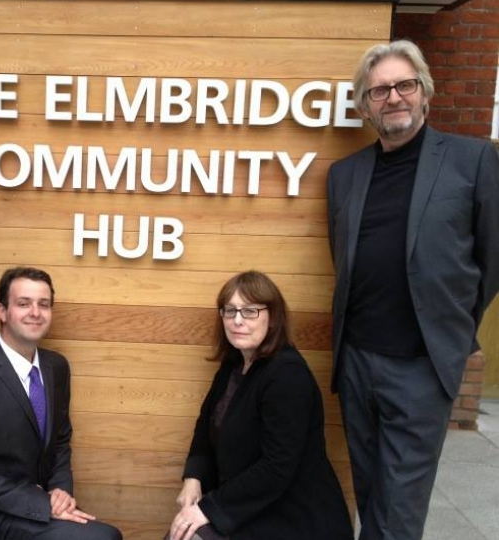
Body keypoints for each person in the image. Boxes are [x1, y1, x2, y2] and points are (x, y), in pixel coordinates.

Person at [327, 39, 499, 540]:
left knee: (401, 507)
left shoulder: (472, 161)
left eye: (405, 85)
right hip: (357, 359)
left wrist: (454, 327)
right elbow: (345, 257)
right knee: (370, 491)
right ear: (365, 106)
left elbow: (491, 258)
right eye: (379, 91)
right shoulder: (345, 175)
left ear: (425, 92)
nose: (393, 98)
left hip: (422, 364)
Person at [0, 267, 123, 540]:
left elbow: (61, 440)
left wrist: (61, 491)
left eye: (44, 304)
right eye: (23, 303)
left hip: (36, 507)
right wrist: (43, 505)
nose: (35, 312)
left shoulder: (56, 367)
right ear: (2, 312)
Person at [166, 271, 353, 540]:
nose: (238, 320)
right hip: (249, 508)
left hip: (290, 516)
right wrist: (193, 477)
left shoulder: (287, 374)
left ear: (273, 317)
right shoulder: (235, 363)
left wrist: (209, 509)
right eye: (230, 311)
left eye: (250, 311)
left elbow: (277, 467)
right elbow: (205, 427)